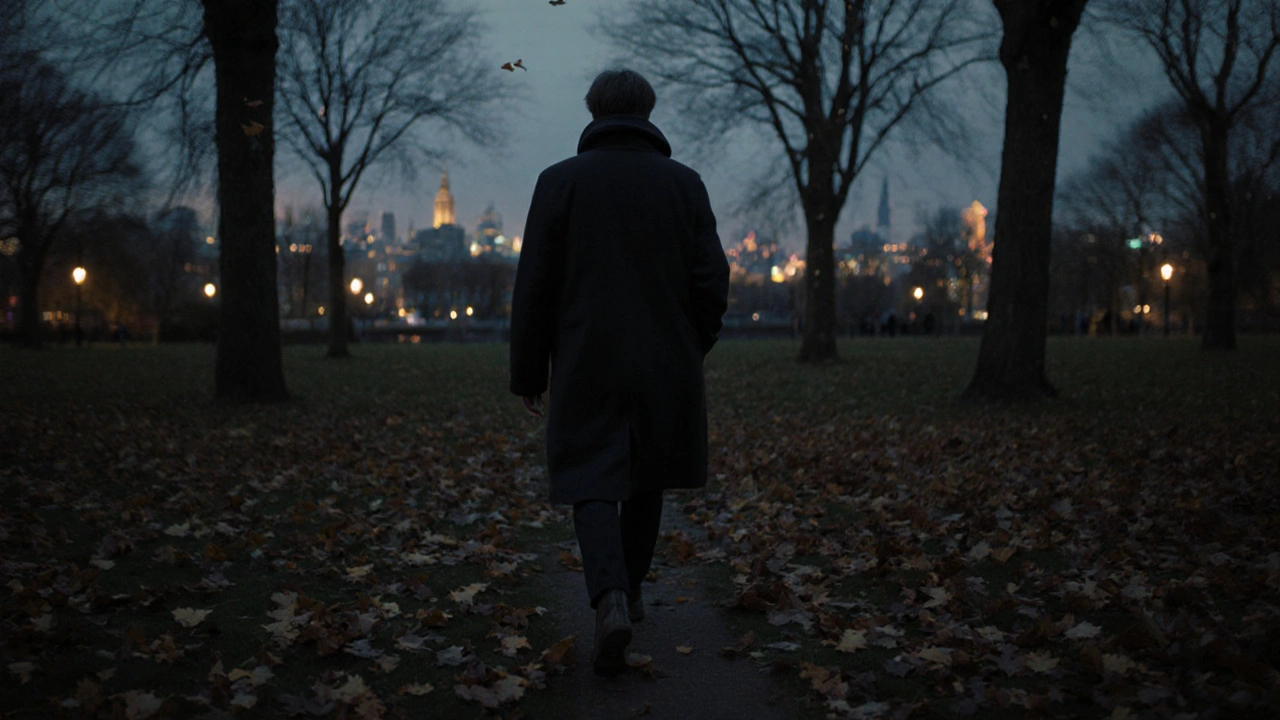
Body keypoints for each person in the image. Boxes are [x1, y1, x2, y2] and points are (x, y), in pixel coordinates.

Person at [508, 69, 730, 678]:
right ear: (647, 112)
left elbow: (535, 287)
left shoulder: (559, 182)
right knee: (647, 474)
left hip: (585, 356)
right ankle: (628, 591)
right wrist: (690, 344)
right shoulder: (685, 185)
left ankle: (609, 596)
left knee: (590, 476)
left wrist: (529, 371)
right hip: (665, 358)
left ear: (594, 111)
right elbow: (712, 281)